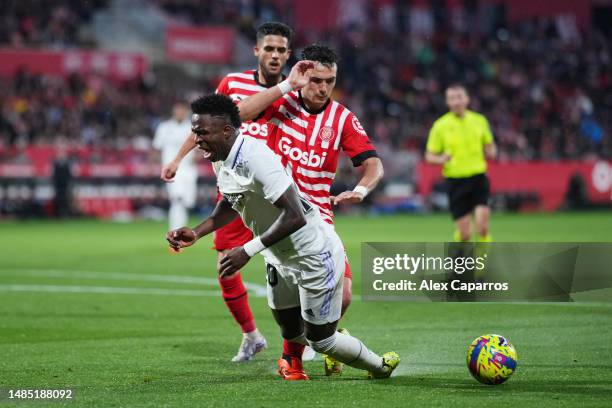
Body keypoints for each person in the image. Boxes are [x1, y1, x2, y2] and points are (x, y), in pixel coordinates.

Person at [166, 43, 385, 379]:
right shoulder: (281, 105)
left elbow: (372, 164)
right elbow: (237, 113)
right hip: (264, 201)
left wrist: (360, 189)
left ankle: (330, 343)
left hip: (312, 216)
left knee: (342, 298)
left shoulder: (342, 118)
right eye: (316, 80)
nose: (322, 87)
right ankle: (294, 356)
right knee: (282, 304)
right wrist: (286, 85)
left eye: (329, 81)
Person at [161, 22, 297, 364]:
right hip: (238, 194)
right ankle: (251, 335)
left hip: (280, 191)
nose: (275, 55)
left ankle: (304, 339)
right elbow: (206, 124)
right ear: (256, 51)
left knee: (292, 268)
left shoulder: (297, 91)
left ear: (289, 54)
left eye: (281, 50)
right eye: (269, 48)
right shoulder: (234, 83)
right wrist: (178, 158)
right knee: (226, 265)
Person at [425, 84, 497, 243]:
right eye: (452, 98)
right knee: (464, 235)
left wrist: (492, 151)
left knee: (482, 228)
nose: (456, 102)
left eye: (459, 97)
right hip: (455, 181)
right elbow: (429, 156)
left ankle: (481, 266)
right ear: (447, 102)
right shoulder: (440, 126)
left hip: (478, 177)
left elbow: (490, 145)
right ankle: (462, 262)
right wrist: (441, 159)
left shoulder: (479, 121)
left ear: (467, 99)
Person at [153, 101, 197, 230]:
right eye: (177, 110)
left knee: (187, 202)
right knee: (177, 199)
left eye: (182, 110)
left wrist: (198, 156)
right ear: (173, 111)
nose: (179, 112)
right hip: (171, 170)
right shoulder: (164, 128)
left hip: (189, 170)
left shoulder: (193, 128)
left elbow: (202, 147)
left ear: (186, 112)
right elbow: (157, 148)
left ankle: (180, 230)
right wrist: (155, 165)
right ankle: (175, 232)